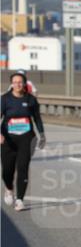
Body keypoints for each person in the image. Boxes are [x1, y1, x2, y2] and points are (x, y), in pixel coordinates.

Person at [1, 71, 46, 211]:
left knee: (23, 168)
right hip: (7, 140)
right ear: (11, 84)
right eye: (15, 82)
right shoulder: (5, 99)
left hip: (26, 138)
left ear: (24, 83)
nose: (17, 84)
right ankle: (9, 188)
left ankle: (20, 199)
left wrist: (42, 135)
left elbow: (37, 119)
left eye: (20, 82)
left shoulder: (31, 100)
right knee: (7, 171)